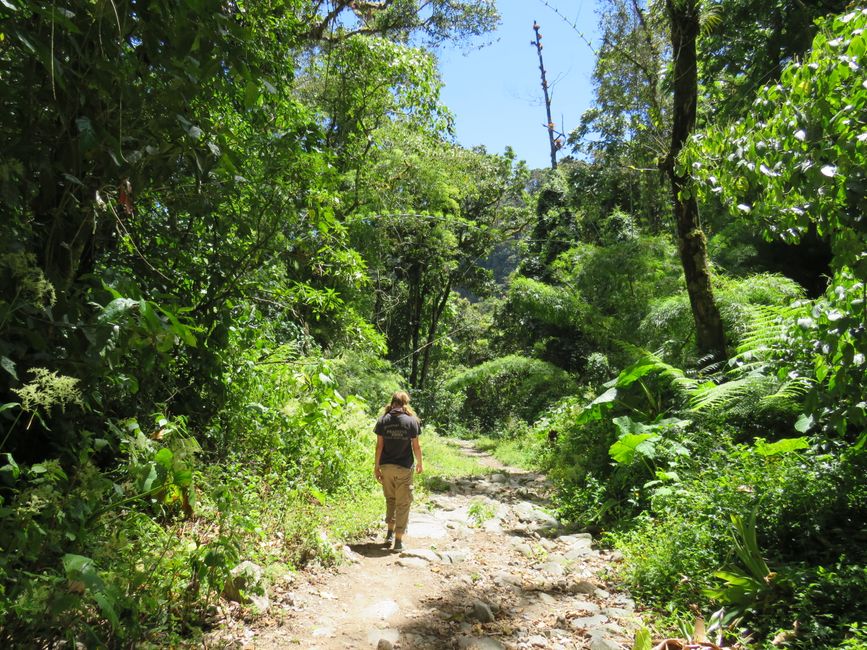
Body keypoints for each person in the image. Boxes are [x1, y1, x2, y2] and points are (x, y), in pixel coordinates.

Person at [374, 390, 423, 551]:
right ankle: (398, 541)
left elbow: (379, 446)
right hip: (404, 468)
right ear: (405, 404)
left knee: (391, 499)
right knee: (403, 503)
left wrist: (376, 466)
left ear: (392, 402)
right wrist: (420, 463)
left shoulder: (383, 420)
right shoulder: (412, 421)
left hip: (386, 467)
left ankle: (389, 533)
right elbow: (416, 446)